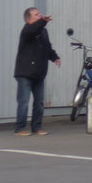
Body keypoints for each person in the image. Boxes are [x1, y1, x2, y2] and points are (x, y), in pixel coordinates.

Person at [13, 7, 61, 136]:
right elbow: (33, 30)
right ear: (29, 19)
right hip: (25, 72)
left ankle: (37, 127)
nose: (40, 15)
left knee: (39, 102)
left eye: (39, 13)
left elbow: (48, 47)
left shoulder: (43, 31)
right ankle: (20, 128)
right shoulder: (27, 30)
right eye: (36, 14)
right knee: (23, 101)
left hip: (39, 72)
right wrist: (43, 21)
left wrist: (55, 57)